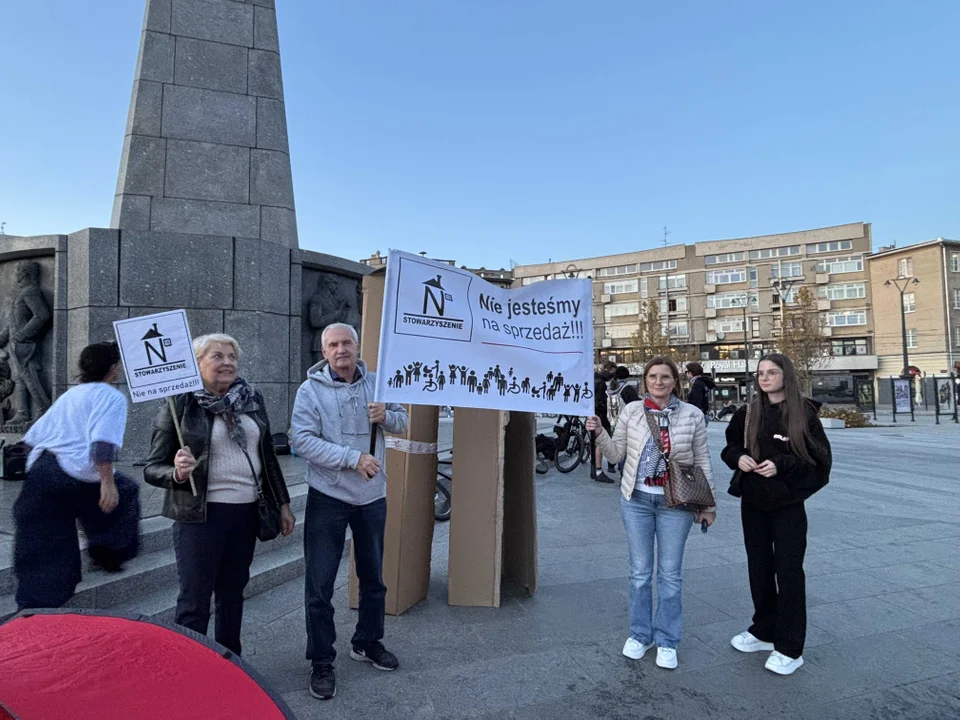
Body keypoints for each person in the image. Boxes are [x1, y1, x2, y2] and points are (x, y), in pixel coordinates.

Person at [144, 334, 295, 656]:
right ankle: (190, 668)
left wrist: (283, 503)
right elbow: (152, 467)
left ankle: (230, 661)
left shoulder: (252, 399)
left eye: (231, 356)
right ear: (197, 364)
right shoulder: (180, 404)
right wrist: (177, 473)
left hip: (246, 512)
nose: (227, 362)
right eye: (217, 356)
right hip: (200, 516)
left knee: (233, 592)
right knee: (194, 600)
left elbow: (267, 458)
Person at [291, 323, 409, 701]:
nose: (341, 349)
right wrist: (351, 458)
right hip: (328, 495)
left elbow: (404, 420)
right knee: (320, 584)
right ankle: (321, 659)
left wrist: (386, 417)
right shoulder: (310, 391)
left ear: (357, 346)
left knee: (373, 577)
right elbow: (302, 440)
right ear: (323, 352)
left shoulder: (379, 383)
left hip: (372, 495)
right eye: (333, 345)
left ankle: (368, 641)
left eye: (347, 343)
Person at [586, 356, 715, 670]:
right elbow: (616, 454)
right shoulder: (632, 411)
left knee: (670, 575)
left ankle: (667, 639)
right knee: (640, 574)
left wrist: (708, 505)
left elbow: (702, 461)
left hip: (677, 504)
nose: (659, 382)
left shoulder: (692, 415)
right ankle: (640, 634)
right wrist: (600, 431)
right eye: (653, 377)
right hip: (637, 501)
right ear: (645, 381)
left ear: (675, 381)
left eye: (665, 377)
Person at [721, 353, 831, 676]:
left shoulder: (803, 415)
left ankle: (791, 646)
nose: (765, 378)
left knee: (789, 572)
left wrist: (782, 464)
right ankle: (764, 629)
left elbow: (819, 463)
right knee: (759, 567)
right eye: (760, 373)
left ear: (787, 375)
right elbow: (729, 447)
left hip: (787, 506)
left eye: (772, 372)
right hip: (753, 503)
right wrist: (738, 457)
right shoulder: (748, 412)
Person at [13, 342, 140, 609]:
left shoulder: (71, 394)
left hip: (41, 471)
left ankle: (34, 605)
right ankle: (107, 552)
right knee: (124, 493)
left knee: (43, 540)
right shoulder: (111, 396)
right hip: (74, 473)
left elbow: (31, 439)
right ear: (114, 368)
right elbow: (102, 443)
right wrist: (108, 484)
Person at [592, 360, 617, 483]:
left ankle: (595, 470)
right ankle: (598, 470)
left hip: (593, 412)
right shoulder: (601, 382)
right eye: (613, 371)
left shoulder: (595, 378)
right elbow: (599, 401)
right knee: (601, 441)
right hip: (599, 414)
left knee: (595, 442)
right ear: (609, 369)